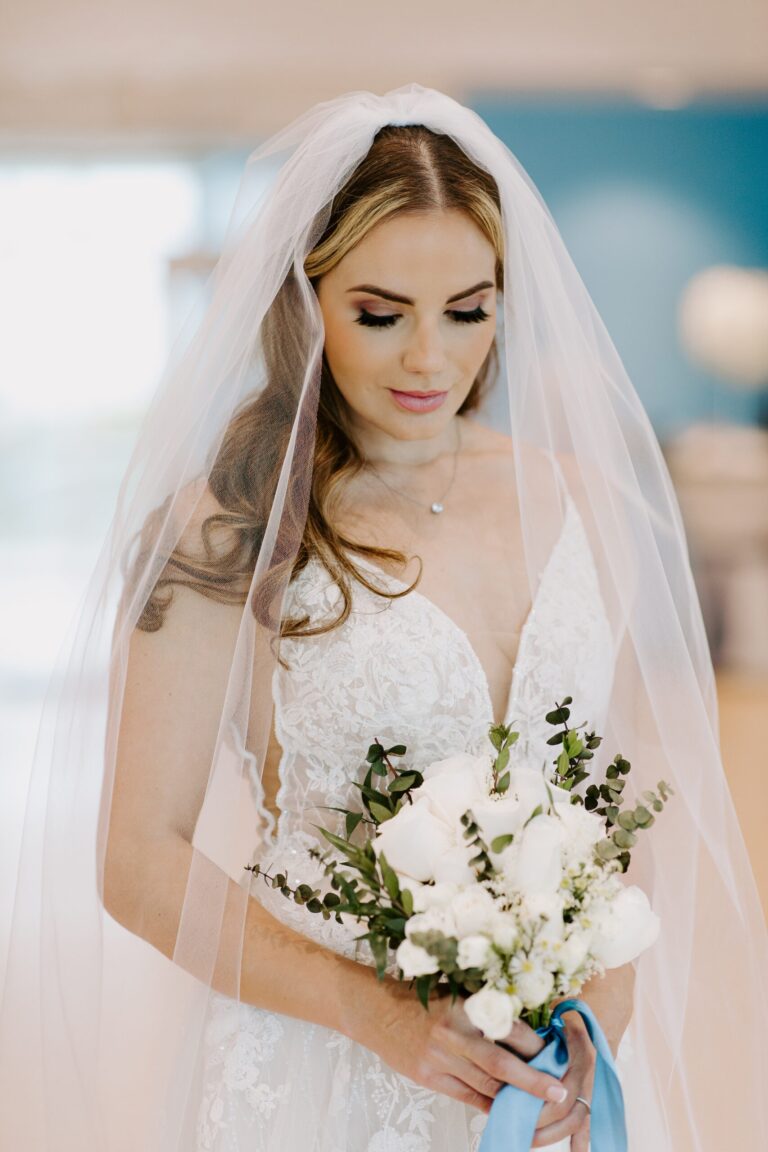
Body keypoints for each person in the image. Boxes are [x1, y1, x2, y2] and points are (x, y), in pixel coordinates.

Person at [1, 83, 765, 1152]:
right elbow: (139, 858)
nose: (429, 360)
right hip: (323, 1069)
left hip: (549, 1079)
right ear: (304, 301)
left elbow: (622, 800)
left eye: (467, 308)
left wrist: (602, 1018)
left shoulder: (581, 501)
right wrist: (371, 1013)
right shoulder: (232, 531)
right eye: (380, 312)